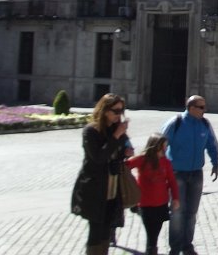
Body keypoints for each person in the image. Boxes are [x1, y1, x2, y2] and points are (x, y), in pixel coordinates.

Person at [70, 93, 131, 255]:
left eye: (121, 111)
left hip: (112, 188)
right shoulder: (91, 131)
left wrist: (125, 151)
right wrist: (116, 136)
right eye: (116, 111)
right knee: (96, 231)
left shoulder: (116, 130)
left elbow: (116, 155)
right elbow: (98, 158)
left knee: (106, 231)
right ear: (105, 110)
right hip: (95, 189)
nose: (119, 114)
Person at [161, 94, 218, 255]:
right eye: (201, 107)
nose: (205, 110)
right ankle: (175, 247)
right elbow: (160, 145)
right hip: (177, 173)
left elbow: (212, 144)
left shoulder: (205, 124)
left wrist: (215, 163)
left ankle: (187, 245)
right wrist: (162, 168)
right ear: (191, 108)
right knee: (177, 212)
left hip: (196, 173)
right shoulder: (176, 123)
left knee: (192, 212)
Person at [127, 133, 180, 255]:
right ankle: (151, 250)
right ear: (155, 146)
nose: (165, 149)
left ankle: (151, 249)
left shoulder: (166, 162)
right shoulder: (142, 159)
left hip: (161, 204)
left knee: (155, 233)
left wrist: (176, 198)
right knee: (151, 234)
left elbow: (172, 181)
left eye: (166, 146)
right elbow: (125, 167)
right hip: (145, 204)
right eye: (162, 146)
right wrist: (132, 184)